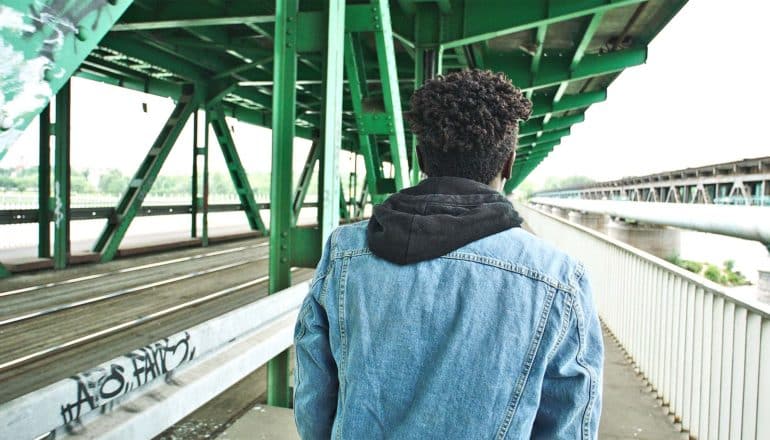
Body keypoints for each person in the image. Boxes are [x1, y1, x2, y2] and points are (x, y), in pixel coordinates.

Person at [293, 69, 604, 439]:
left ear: (422, 158)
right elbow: (570, 425)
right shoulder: (556, 275)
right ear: (508, 163)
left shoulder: (345, 251)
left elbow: (314, 403)